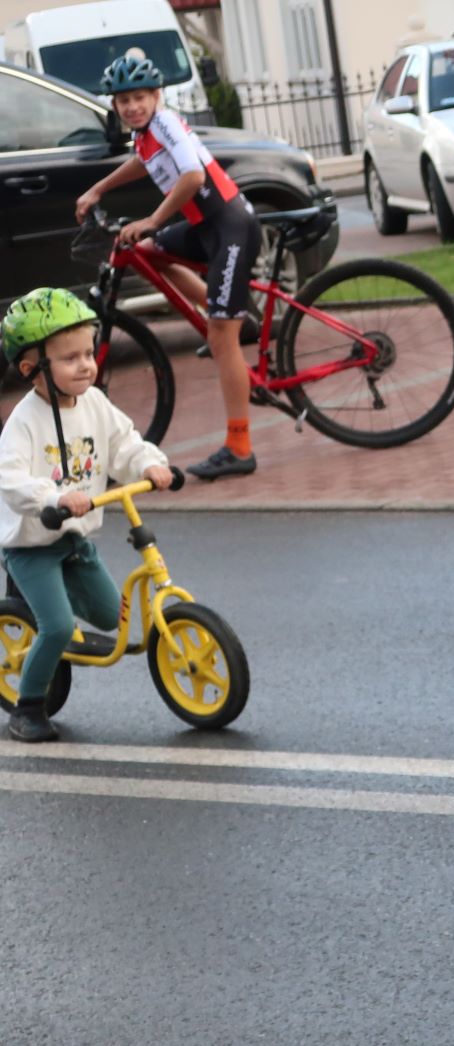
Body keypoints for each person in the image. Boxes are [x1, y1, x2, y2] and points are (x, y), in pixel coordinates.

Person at [74, 54, 263, 482]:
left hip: (230, 225)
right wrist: (97, 189)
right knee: (149, 251)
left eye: (140, 97)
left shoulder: (167, 124)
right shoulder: (145, 134)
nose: (132, 106)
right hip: (206, 226)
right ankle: (236, 318)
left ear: (157, 96)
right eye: (123, 100)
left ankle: (239, 446)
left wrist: (152, 220)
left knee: (220, 338)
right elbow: (142, 162)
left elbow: (193, 178)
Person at [1, 289, 173, 743]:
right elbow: (11, 480)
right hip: (31, 547)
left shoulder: (94, 403)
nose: (85, 365)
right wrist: (54, 497)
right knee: (58, 626)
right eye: (69, 358)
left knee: (108, 614)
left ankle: (41, 618)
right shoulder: (23, 423)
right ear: (31, 369)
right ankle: (29, 706)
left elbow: (124, 444)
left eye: (87, 353)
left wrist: (149, 464)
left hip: (74, 542)